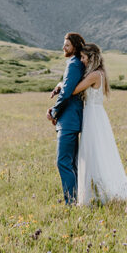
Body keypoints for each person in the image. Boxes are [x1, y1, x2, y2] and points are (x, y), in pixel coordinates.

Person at [71, 44, 127, 206]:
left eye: (83, 58)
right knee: (97, 152)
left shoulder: (94, 75)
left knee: (93, 152)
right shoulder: (101, 73)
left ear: (91, 58)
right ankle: (96, 192)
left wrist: (61, 85)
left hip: (93, 116)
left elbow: (74, 90)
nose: (81, 61)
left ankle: (97, 195)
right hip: (96, 115)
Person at [47, 32, 86, 204]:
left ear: (75, 48)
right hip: (72, 118)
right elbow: (69, 86)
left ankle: (71, 203)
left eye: (67, 45)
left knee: (63, 162)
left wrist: (54, 112)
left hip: (69, 119)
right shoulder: (77, 63)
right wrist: (60, 85)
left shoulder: (74, 64)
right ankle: (75, 199)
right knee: (71, 163)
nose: (63, 47)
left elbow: (68, 92)